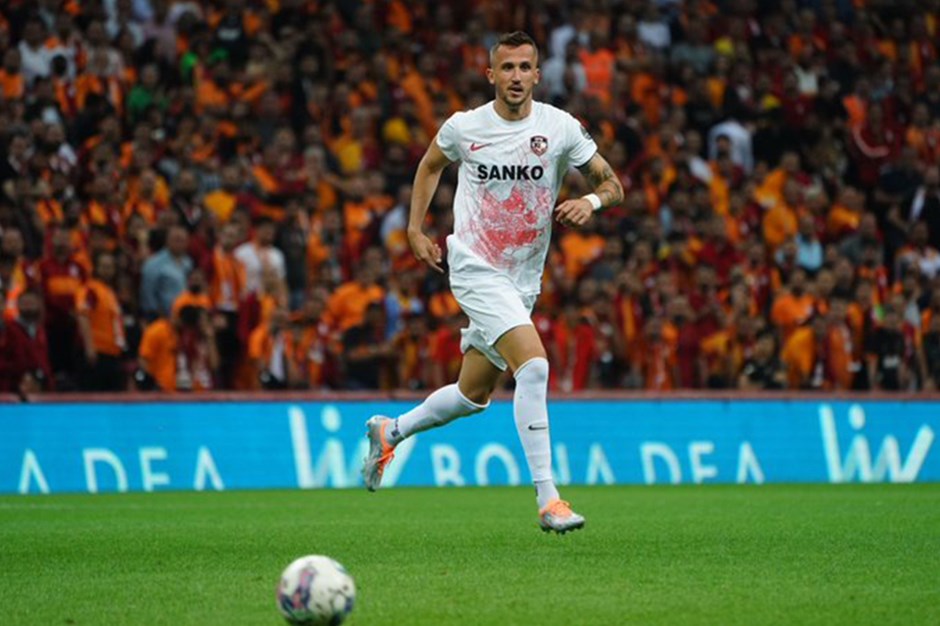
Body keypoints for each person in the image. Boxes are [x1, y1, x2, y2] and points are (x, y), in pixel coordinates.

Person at [362, 32, 624, 534]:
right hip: (474, 266)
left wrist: (590, 203)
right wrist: (414, 229)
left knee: (473, 395)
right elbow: (430, 166)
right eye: (507, 68)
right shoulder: (465, 127)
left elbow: (612, 184)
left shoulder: (560, 127)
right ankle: (549, 500)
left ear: (538, 75)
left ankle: (390, 431)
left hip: (522, 279)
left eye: (525, 67)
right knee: (535, 366)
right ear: (491, 75)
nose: (516, 77)